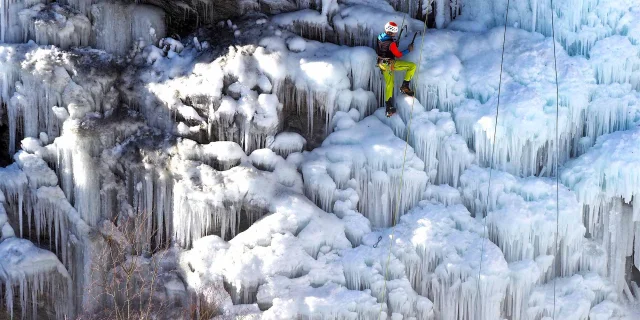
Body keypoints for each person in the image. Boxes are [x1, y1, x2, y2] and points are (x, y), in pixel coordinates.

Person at [376, 21, 416, 117]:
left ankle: (388, 107)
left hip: (381, 63)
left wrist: (394, 44)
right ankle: (405, 86)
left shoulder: (380, 37)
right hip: (390, 64)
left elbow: (384, 48)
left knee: (389, 85)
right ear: (394, 32)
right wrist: (408, 50)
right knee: (412, 66)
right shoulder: (391, 44)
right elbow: (398, 54)